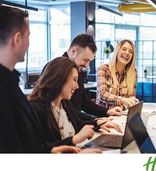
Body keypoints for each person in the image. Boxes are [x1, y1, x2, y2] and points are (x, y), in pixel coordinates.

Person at [0, 6, 100, 153]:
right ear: (17, 39)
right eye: (28, 36)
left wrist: (53, 151)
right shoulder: (6, 91)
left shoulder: (10, 84)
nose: (28, 43)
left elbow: (30, 147)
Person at [28, 57, 122, 150]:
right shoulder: (35, 108)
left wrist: (98, 124)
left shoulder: (64, 102)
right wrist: (74, 140)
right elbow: (39, 149)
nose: (77, 86)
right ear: (60, 78)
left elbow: (78, 123)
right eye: (74, 80)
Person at [62, 34, 122, 120]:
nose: (87, 65)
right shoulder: (57, 70)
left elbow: (84, 102)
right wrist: (94, 121)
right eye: (85, 60)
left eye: (89, 61)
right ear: (73, 51)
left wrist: (107, 111)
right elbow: (66, 110)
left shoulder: (76, 68)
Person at [96, 39, 138, 109]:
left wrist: (132, 102)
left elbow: (131, 97)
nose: (127, 53)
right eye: (124, 49)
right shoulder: (103, 69)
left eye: (131, 52)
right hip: (102, 115)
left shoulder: (133, 73)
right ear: (117, 51)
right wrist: (123, 100)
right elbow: (102, 94)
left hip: (121, 115)